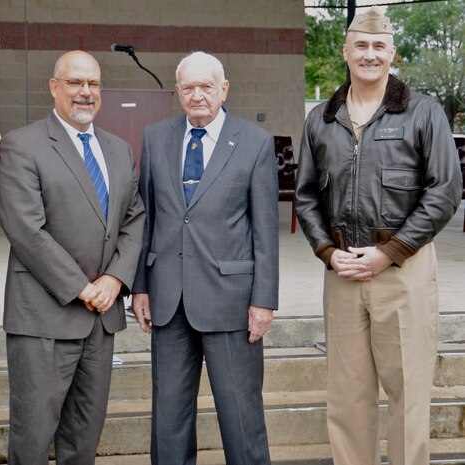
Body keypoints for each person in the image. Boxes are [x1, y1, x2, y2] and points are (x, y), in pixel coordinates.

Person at [295, 9, 462, 465]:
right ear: (346, 52)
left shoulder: (423, 112)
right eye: (361, 46)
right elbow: (306, 197)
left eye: (378, 46)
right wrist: (329, 254)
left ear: (392, 53)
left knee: (408, 395)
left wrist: (390, 252)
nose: (369, 55)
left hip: (403, 271)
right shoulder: (321, 121)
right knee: (347, 399)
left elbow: (445, 191)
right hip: (344, 273)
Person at [0, 50, 145, 465]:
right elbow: (26, 229)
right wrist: (81, 287)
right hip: (44, 318)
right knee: (32, 438)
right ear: (54, 87)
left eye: (93, 84)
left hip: (101, 318)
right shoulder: (22, 145)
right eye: (75, 82)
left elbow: (135, 219)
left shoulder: (118, 150)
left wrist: (115, 279)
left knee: (83, 438)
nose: (85, 92)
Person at [132, 51, 279, 465]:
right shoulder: (156, 136)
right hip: (168, 300)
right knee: (169, 420)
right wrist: (140, 287)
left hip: (231, 301)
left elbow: (265, 230)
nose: (197, 95)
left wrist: (264, 300)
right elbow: (148, 216)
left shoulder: (254, 142)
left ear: (224, 89)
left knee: (241, 418)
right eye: (188, 87)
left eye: (206, 87)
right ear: (177, 91)